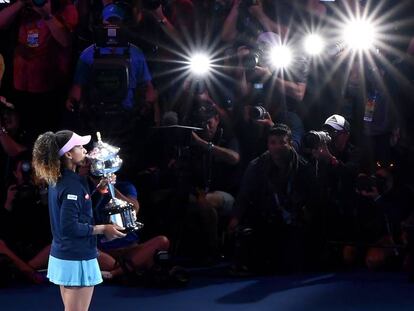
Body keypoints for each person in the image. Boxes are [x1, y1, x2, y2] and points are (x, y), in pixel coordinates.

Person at [32, 130, 126, 311]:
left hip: (66, 253)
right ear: (68, 154)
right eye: (80, 146)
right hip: (75, 256)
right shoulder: (73, 185)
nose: (84, 150)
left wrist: (100, 191)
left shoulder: (63, 179)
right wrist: (103, 228)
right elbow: (70, 227)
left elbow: (82, 210)